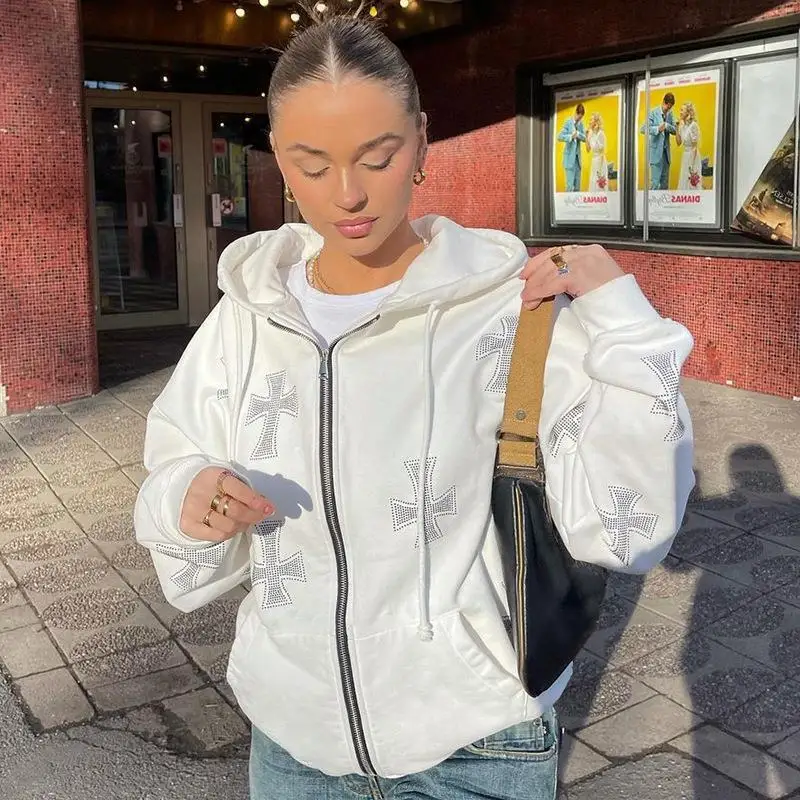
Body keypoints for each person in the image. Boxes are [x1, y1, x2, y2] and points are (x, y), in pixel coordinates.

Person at [134, 9, 695, 800]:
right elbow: (175, 457)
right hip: (294, 741)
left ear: (423, 141)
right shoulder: (248, 316)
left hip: (476, 742)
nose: (349, 193)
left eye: (379, 155)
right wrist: (188, 493)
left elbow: (629, 526)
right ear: (281, 162)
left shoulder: (506, 309)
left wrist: (625, 325)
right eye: (313, 164)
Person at [642, 92, 677, 190]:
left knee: (665, 184)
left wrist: (667, 126)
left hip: (666, 155)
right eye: (667, 107)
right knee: (655, 184)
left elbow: (675, 130)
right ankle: (652, 200)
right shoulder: (653, 113)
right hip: (655, 154)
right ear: (663, 102)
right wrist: (657, 129)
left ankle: (663, 201)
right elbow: (643, 129)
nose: (668, 109)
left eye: (670, 107)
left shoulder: (670, 114)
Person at [556, 103, 586, 192]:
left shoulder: (581, 124)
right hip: (569, 160)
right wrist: (570, 137)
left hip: (577, 161)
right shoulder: (568, 122)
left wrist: (578, 134)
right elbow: (559, 136)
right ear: (576, 113)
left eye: (581, 118)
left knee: (577, 187)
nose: (579, 119)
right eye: (579, 117)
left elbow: (585, 138)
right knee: (569, 187)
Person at [676, 101, 702, 190]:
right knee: (684, 181)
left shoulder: (693, 126)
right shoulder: (682, 126)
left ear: (688, 113)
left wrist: (691, 165)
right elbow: (678, 143)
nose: (680, 112)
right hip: (685, 156)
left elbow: (695, 147)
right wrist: (677, 128)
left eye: (682, 110)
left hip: (693, 156)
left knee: (692, 182)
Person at [586, 112, 609, 193]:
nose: (589, 122)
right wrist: (586, 137)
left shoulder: (601, 133)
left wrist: (600, 167)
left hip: (600, 160)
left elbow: (602, 151)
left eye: (591, 120)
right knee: (593, 180)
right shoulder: (590, 133)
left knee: (599, 181)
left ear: (596, 121)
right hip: (594, 160)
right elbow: (588, 149)